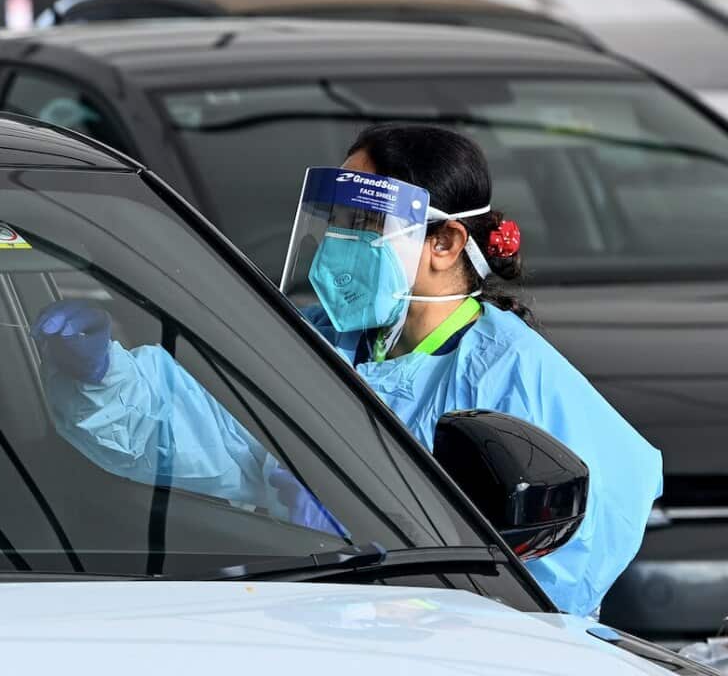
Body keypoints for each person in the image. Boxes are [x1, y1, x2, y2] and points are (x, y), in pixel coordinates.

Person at [33, 123, 662, 618]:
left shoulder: (512, 371)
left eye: (364, 223)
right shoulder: (316, 345)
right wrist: (104, 377)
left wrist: (426, 599)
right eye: (336, 220)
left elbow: (578, 543)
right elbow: (204, 428)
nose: (338, 241)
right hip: (307, 615)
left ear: (443, 244)